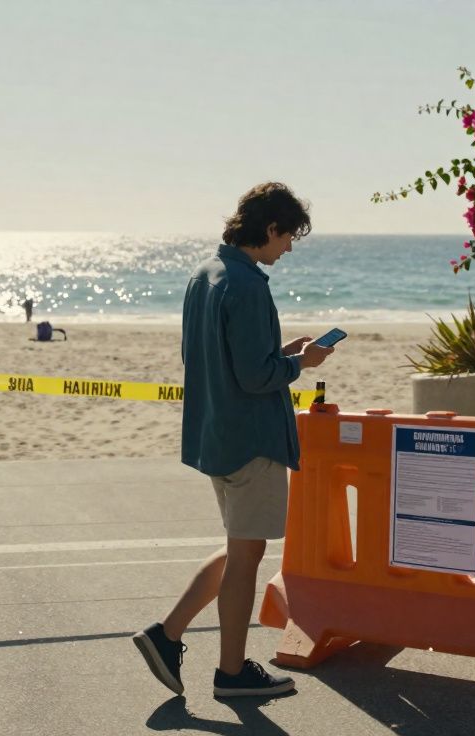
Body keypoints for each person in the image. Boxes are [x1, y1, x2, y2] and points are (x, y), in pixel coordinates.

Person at [133, 182, 333, 699]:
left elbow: (213, 356)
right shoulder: (247, 284)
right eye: (287, 238)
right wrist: (300, 363)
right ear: (271, 227)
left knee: (239, 547)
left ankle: (166, 635)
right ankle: (231, 672)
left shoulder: (205, 274)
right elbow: (255, 376)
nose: (287, 249)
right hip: (252, 438)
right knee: (247, 556)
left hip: (216, 434)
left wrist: (280, 353)